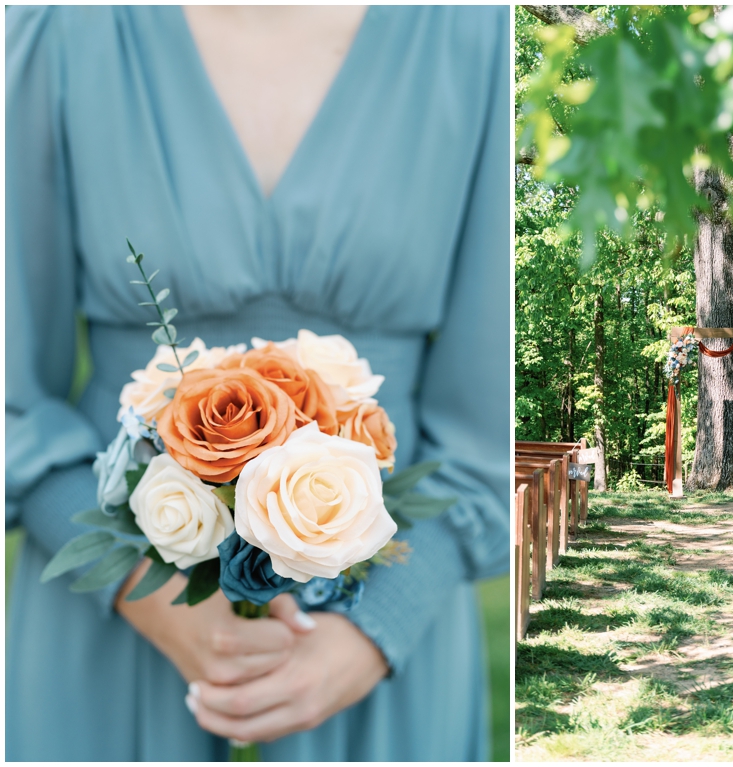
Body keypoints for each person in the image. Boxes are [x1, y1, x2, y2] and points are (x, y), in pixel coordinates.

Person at [5, 5, 510, 761]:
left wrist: (377, 628)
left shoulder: (479, 34)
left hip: (381, 636)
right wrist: (158, 598)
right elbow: (13, 397)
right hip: (116, 616)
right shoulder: (57, 25)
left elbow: (484, 430)